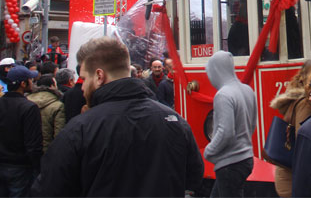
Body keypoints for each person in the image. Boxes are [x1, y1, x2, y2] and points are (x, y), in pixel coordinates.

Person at [31, 37, 203, 196]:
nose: (82, 88)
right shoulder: (174, 120)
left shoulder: (80, 129)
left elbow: (48, 189)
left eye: (84, 79)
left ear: (99, 76)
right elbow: (193, 177)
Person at [269, 59, 311, 197]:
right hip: (293, 179)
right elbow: (304, 142)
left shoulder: (302, 100)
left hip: (291, 174)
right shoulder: (306, 104)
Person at [204, 51, 257, 198]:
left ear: (216, 70)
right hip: (245, 158)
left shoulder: (223, 95)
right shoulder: (247, 90)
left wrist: (209, 150)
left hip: (230, 162)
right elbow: (252, 124)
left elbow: (225, 132)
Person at [0, 66, 41, 197]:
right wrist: (37, 166)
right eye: (30, 79)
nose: (32, 82)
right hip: (20, 167)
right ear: (23, 83)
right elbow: (33, 144)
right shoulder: (29, 108)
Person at [26, 74, 65, 154]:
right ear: (52, 86)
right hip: (48, 151)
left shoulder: (25, 101)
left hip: (26, 150)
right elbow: (59, 133)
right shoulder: (57, 105)